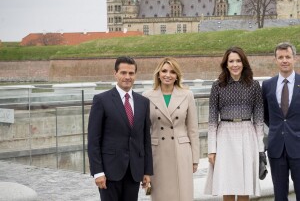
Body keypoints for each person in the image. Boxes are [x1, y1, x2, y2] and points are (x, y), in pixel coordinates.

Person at [87, 56, 153, 201]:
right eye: (123, 73)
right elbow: (93, 140)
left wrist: (147, 171)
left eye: (131, 73)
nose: (127, 77)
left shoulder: (143, 102)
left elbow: (145, 139)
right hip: (109, 172)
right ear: (115, 73)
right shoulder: (101, 100)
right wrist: (98, 172)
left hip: (134, 171)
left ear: (135, 75)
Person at [204, 46, 264, 201]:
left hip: (247, 135)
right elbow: (211, 120)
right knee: (227, 183)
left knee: (245, 185)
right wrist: (212, 149)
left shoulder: (254, 86)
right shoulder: (217, 86)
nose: (235, 64)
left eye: (238, 60)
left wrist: (261, 149)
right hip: (224, 137)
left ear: (244, 63)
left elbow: (258, 120)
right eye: (231, 61)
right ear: (226, 64)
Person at [143, 57, 199, 201]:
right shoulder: (147, 96)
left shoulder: (187, 95)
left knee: (182, 195)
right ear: (158, 74)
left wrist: (195, 159)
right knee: (161, 195)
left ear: (177, 76)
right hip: (157, 153)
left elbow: (193, 129)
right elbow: (143, 132)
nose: (168, 75)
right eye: (164, 71)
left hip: (181, 152)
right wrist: (143, 162)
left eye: (172, 72)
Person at [262, 42, 300, 201]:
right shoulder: (267, 85)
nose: (284, 60)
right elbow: (265, 114)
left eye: (288, 57)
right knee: (279, 194)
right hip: (276, 148)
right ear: (275, 60)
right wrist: (278, 129)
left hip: (298, 146)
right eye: (281, 57)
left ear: (295, 59)